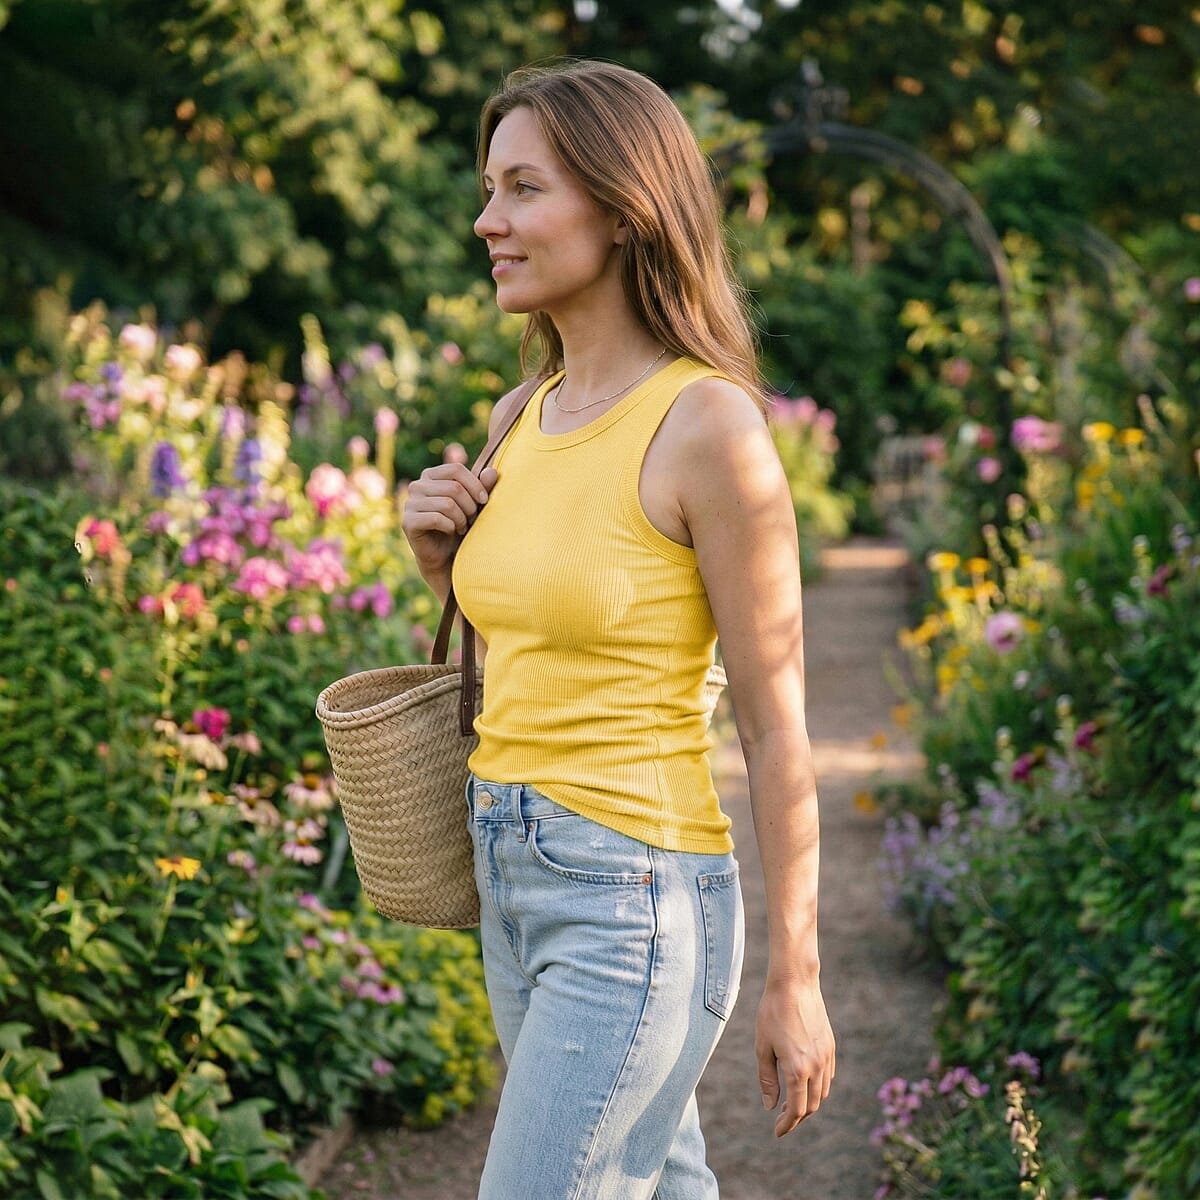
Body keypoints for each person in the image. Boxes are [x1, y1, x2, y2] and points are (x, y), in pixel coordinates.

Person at [401, 59, 835, 1199]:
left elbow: (777, 726)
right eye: (490, 188)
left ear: (624, 207)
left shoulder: (708, 427)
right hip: (511, 875)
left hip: (629, 899)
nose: (487, 220)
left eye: (522, 189)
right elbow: (535, 659)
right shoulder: (518, 417)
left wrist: (798, 974)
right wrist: (441, 568)